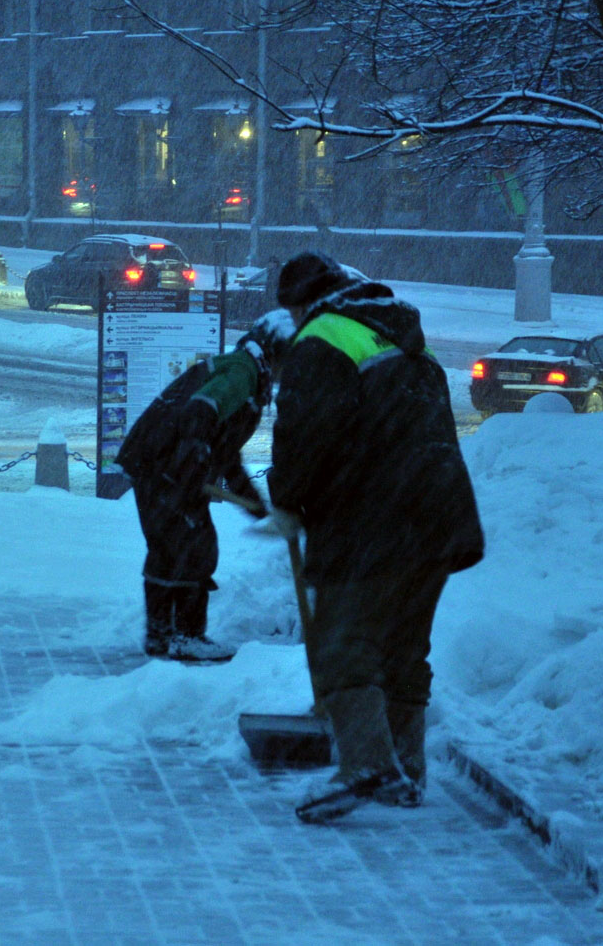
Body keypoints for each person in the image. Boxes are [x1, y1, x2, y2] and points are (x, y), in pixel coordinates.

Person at [265, 252, 484, 823]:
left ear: (301, 304)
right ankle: (406, 771)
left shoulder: (322, 338)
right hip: (438, 515)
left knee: (343, 641)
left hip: (373, 517)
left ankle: (365, 763)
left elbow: (304, 430)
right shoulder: (401, 336)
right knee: (404, 646)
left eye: (291, 311)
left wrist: (288, 501)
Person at [115, 311, 295, 663]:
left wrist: (253, 505)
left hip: (164, 465)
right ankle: (183, 636)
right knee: (189, 549)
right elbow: (201, 411)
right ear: (275, 354)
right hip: (164, 467)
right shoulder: (242, 372)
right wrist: (193, 461)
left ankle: (163, 637)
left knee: (176, 549)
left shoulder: (247, 374)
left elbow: (226, 454)